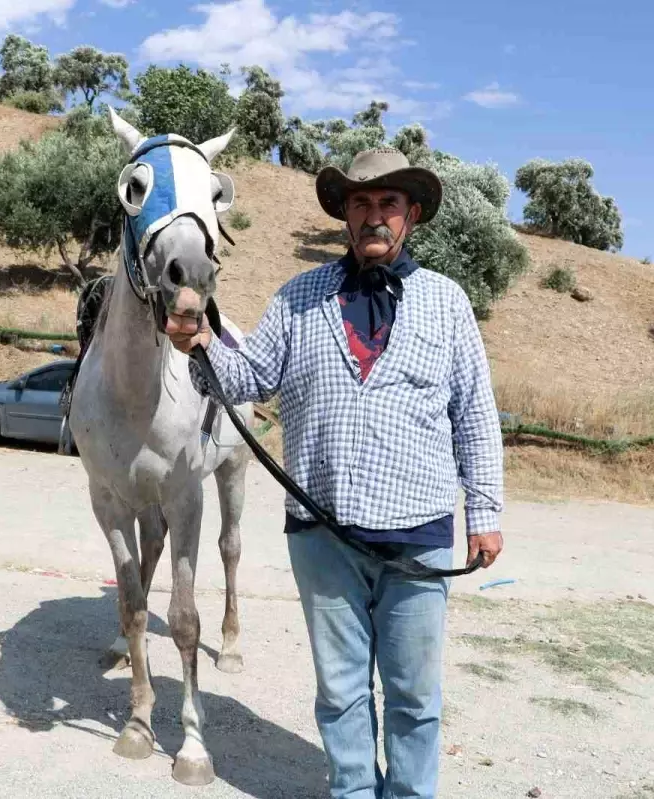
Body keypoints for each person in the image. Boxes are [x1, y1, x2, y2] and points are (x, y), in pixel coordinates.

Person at [166, 146, 505, 799]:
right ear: (344, 216)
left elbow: (476, 416)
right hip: (322, 540)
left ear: (412, 215)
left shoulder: (448, 302)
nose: (373, 216)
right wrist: (203, 341)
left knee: (412, 694)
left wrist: (485, 514)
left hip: (419, 539)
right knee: (342, 691)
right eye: (360, 203)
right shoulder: (299, 298)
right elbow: (249, 377)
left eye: (387, 203)